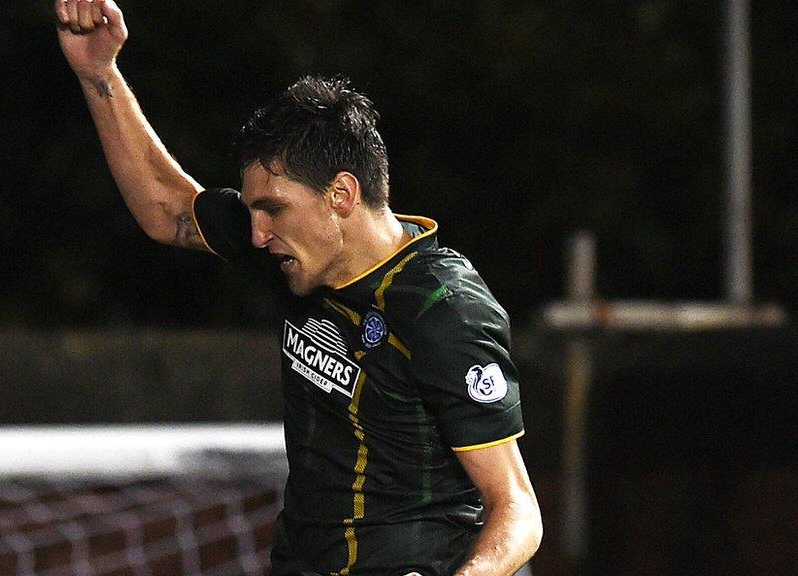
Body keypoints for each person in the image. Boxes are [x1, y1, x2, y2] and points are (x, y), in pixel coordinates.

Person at [54, 2, 543, 575]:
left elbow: (517, 509)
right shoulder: (294, 250)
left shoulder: (443, 311)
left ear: (341, 195)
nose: (256, 234)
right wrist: (99, 75)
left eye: (273, 211)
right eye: (254, 211)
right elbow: (172, 214)